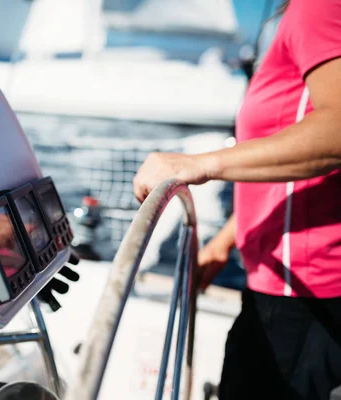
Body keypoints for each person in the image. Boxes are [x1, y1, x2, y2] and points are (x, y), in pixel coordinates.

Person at [132, 0, 341, 399]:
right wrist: (225, 242)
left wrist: (201, 164)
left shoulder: (321, 6)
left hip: (303, 295)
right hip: (278, 283)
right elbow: (286, 168)